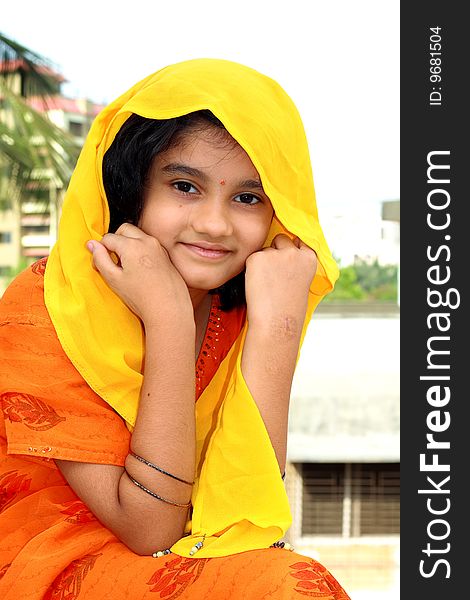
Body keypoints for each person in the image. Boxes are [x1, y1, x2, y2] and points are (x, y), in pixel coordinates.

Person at [0, 58, 349, 599]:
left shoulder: (244, 303)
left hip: (176, 555)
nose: (214, 223)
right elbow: (148, 528)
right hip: (48, 559)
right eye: (185, 186)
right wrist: (167, 320)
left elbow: (241, 514)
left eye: (247, 198)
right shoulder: (51, 303)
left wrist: (280, 326)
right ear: (131, 186)